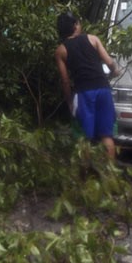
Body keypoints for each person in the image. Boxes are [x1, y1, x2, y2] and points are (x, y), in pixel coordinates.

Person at [55, 12, 121, 160]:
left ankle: (84, 176)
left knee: (83, 138)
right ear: (75, 26)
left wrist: (70, 102)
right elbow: (110, 63)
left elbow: (65, 81)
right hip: (103, 89)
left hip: (83, 93)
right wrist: (115, 71)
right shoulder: (93, 39)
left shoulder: (61, 50)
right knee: (106, 135)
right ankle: (110, 174)